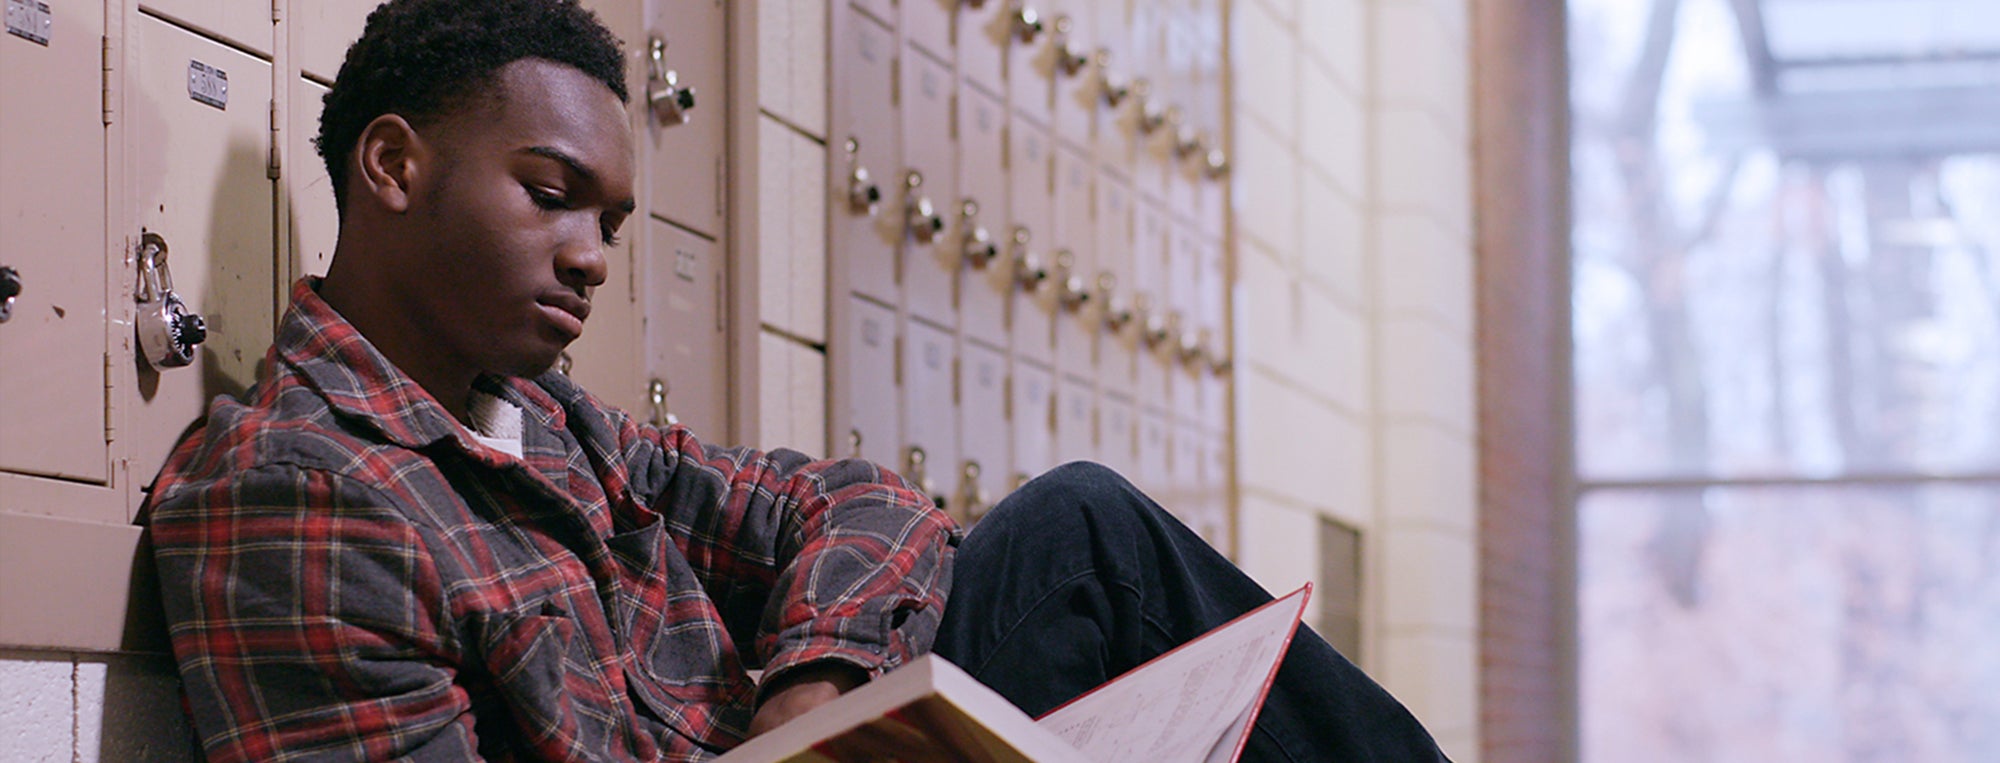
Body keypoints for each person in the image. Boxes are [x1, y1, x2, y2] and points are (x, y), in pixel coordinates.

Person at [140, 0, 1449, 760]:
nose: (591, 259)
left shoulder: (553, 423)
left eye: (612, 221)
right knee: (1089, 538)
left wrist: (810, 694)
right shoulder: (300, 494)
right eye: (552, 198)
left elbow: (866, 505)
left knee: (1078, 535)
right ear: (392, 167)